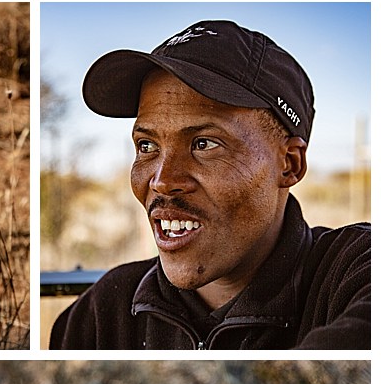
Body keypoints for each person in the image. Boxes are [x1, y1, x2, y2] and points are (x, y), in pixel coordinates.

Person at [49, 20, 370, 350]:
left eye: (204, 144)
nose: (162, 181)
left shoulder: (354, 272)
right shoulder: (103, 314)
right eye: (147, 146)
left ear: (289, 163)